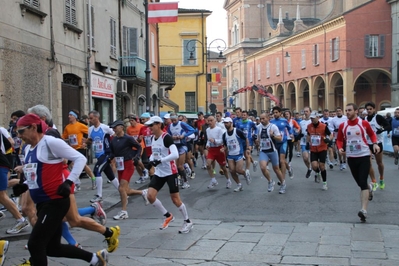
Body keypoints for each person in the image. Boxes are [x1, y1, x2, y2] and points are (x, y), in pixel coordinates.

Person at [13, 114, 108, 265]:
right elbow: (36, 172)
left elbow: (80, 159)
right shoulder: (28, 149)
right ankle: (95, 259)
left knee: (35, 244)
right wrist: (24, 186)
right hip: (43, 202)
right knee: (52, 248)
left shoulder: (50, 142)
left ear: (33, 127)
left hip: (55, 201)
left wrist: (69, 181)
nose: (19, 136)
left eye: (21, 131)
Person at [144, 116, 193, 233]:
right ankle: (167, 215)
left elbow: (175, 154)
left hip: (171, 172)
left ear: (159, 125)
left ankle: (188, 221)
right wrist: (151, 159)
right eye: (149, 126)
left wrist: (161, 160)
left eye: (151, 125)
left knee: (175, 200)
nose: (149, 128)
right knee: (150, 196)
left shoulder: (166, 137)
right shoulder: (152, 138)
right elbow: (154, 153)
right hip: (160, 172)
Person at [336, 103, 378, 222]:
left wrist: (374, 144)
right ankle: (369, 188)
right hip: (351, 157)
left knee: (363, 181)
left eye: (349, 110)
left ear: (356, 111)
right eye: (346, 110)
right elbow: (339, 139)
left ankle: (363, 210)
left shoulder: (363, 123)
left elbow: (372, 134)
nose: (347, 112)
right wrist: (340, 148)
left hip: (364, 155)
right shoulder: (343, 125)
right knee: (360, 183)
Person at [109, 120, 149, 220]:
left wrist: (136, 157)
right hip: (120, 165)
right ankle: (143, 193)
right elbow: (112, 152)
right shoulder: (113, 140)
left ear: (121, 127)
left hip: (128, 165)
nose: (114, 129)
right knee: (126, 190)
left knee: (121, 188)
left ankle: (124, 211)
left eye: (115, 127)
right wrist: (109, 158)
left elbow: (139, 147)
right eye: (113, 127)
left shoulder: (128, 138)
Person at [87, 110, 119, 203]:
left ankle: (99, 195)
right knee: (110, 175)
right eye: (89, 118)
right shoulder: (90, 129)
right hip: (98, 154)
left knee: (96, 170)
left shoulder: (105, 128)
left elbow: (115, 135)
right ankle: (123, 192)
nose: (90, 120)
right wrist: (87, 142)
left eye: (91, 118)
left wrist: (113, 147)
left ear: (97, 118)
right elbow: (90, 140)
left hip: (105, 154)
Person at [62, 109, 95, 190]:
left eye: (71, 115)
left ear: (75, 117)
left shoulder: (80, 125)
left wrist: (85, 142)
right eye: (69, 115)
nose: (69, 116)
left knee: (83, 165)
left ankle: (93, 179)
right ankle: (76, 182)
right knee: (68, 164)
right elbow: (63, 137)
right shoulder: (67, 127)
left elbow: (90, 133)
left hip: (80, 148)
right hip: (72, 149)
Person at [256, 113, 285, 193]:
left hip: (272, 151)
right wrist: (257, 141)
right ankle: (270, 181)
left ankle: (283, 183)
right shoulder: (259, 127)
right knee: (262, 167)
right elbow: (257, 136)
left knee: (276, 169)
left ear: (268, 118)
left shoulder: (273, 127)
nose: (261, 120)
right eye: (260, 119)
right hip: (263, 151)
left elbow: (280, 138)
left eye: (263, 118)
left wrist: (273, 136)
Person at [365, 102, 390, 190]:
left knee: (379, 163)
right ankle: (374, 181)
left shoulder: (378, 117)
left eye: (370, 109)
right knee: (368, 163)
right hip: (368, 143)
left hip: (378, 143)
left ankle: (381, 178)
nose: (369, 111)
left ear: (374, 109)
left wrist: (381, 130)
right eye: (367, 109)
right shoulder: (364, 119)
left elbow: (388, 125)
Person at [167, 113, 195, 189]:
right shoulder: (170, 126)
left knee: (180, 165)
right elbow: (168, 135)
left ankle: (186, 181)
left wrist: (183, 136)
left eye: (175, 119)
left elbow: (192, 130)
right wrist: (172, 137)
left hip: (182, 146)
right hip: (175, 146)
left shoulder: (181, 124)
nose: (173, 121)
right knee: (175, 166)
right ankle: (179, 179)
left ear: (177, 118)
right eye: (172, 120)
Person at [221, 117, 248, 192]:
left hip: (238, 153)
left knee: (238, 170)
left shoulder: (237, 131)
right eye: (224, 123)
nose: (225, 124)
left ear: (231, 123)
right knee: (232, 171)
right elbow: (225, 145)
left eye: (227, 123)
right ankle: (239, 185)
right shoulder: (224, 135)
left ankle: (245, 174)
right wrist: (223, 149)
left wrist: (248, 149)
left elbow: (245, 139)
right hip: (230, 155)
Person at [307, 111, 332, 190]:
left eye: (313, 118)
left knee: (322, 166)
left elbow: (331, 135)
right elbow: (308, 135)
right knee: (314, 166)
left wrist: (328, 139)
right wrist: (308, 142)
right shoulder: (309, 126)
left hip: (322, 148)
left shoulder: (323, 126)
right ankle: (317, 173)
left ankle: (324, 183)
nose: (312, 120)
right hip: (313, 149)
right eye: (311, 118)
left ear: (318, 117)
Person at [205, 116, 230, 189]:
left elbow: (222, 141)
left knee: (223, 167)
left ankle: (228, 180)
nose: (210, 122)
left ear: (215, 121)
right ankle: (213, 180)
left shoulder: (219, 129)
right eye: (208, 121)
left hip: (219, 149)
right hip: (212, 150)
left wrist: (215, 141)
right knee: (208, 165)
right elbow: (208, 140)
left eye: (211, 120)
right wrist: (207, 144)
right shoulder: (207, 130)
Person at [270, 106, 292, 181]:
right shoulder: (271, 122)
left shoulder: (284, 121)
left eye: (276, 112)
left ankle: (283, 179)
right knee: (278, 162)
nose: (275, 114)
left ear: (280, 113)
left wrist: (291, 134)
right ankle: (289, 168)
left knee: (282, 161)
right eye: (274, 113)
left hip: (283, 142)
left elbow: (289, 128)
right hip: (275, 143)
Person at [126, 114, 149, 184]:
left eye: (132, 121)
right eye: (130, 121)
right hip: (133, 147)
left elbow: (147, 134)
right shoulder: (128, 129)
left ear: (136, 121)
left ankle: (145, 170)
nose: (131, 122)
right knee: (135, 163)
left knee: (136, 160)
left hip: (140, 146)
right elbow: (128, 138)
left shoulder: (141, 126)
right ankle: (142, 176)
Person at [235, 111, 259, 176]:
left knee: (247, 155)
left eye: (244, 115)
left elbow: (256, 129)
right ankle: (254, 162)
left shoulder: (250, 123)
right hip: (241, 141)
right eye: (242, 115)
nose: (243, 116)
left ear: (247, 116)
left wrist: (255, 135)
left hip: (249, 141)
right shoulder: (238, 123)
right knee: (245, 155)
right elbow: (236, 131)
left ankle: (247, 170)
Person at [284, 110, 299, 178]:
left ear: (290, 115)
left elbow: (298, 127)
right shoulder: (283, 121)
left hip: (291, 138)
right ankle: (285, 161)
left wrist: (296, 132)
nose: (287, 115)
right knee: (285, 151)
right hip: (284, 138)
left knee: (290, 150)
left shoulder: (293, 121)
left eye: (288, 114)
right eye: (286, 114)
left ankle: (289, 161)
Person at [298, 107, 313, 178]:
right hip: (304, 142)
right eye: (304, 111)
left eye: (307, 111)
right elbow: (300, 131)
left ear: (310, 112)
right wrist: (299, 134)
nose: (305, 113)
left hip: (313, 142)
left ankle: (317, 172)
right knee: (305, 158)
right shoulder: (301, 122)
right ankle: (309, 168)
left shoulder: (313, 121)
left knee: (314, 160)